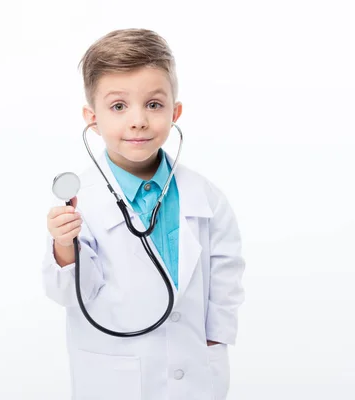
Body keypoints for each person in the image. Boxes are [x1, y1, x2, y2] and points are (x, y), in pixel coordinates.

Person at [42, 28, 245, 400]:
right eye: (118, 106)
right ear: (92, 118)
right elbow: (71, 294)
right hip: (112, 374)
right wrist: (63, 244)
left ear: (175, 111)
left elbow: (226, 276)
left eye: (153, 104)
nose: (138, 120)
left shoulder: (206, 197)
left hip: (195, 372)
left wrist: (215, 341)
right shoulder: (81, 201)